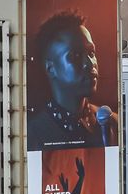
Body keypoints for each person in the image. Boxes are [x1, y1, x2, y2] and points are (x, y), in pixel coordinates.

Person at [29, 10, 117, 149]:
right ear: (51, 68)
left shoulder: (112, 124)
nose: (90, 63)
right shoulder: (33, 135)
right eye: (75, 55)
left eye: (91, 53)